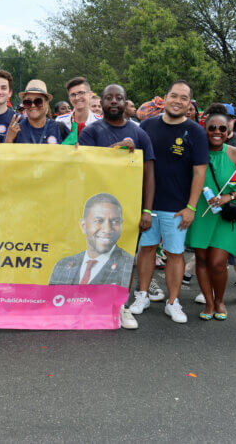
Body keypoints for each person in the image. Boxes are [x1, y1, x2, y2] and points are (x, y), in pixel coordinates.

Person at [77, 84, 156, 329]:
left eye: (119, 98)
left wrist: (146, 210)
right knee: (95, 255)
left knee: (124, 257)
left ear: (125, 102)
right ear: (101, 102)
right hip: (96, 208)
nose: (114, 102)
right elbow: (84, 168)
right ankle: (91, 305)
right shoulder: (90, 132)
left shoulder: (139, 133)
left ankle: (120, 306)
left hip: (129, 208)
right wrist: (113, 154)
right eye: (109, 98)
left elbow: (149, 174)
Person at [129, 80, 208, 324]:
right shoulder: (147, 126)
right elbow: (135, 161)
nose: (178, 100)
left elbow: (199, 172)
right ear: (165, 97)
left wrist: (191, 207)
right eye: (174, 95)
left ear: (189, 103)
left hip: (177, 208)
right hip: (147, 206)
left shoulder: (195, 131)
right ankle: (141, 295)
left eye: (184, 98)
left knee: (175, 254)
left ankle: (173, 302)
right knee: (147, 250)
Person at [184, 111, 236, 320]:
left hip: (225, 216)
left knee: (217, 262)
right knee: (202, 259)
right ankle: (209, 302)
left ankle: (220, 300)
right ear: (205, 129)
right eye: (212, 128)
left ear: (228, 131)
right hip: (201, 214)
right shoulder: (196, 153)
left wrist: (229, 196)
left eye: (222, 128)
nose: (216, 132)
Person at [49, 194, 134, 287]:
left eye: (115, 221)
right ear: (83, 226)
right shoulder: (62, 266)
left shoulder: (129, 266)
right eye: (99, 220)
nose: (107, 229)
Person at [4, 80, 61, 144]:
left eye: (38, 101)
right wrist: (9, 139)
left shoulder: (59, 128)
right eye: (28, 102)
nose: (33, 105)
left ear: (46, 103)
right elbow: (5, 153)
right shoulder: (16, 130)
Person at [56, 77, 100, 141]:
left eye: (81, 93)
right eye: (73, 95)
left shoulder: (101, 122)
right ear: (69, 98)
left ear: (90, 95)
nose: (77, 98)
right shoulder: (60, 121)